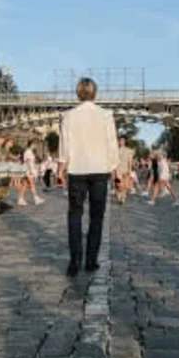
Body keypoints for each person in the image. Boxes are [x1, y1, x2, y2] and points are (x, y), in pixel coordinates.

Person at [59, 78, 119, 277]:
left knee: (74, 215)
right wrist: (113, 167)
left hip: (77, 170)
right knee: (97, 217)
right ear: (95, 93)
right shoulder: (106, 115)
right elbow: (111, 143)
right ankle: (91, 260)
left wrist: (62, 166)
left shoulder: (68, 116)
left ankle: (75, 260)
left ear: (78, 93)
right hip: (100, 170)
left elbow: (65, 144)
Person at [116, 138, 135, 205]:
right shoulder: (116, 150)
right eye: (120, 140)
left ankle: (123, 198)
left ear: (125, 142)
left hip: (126, 170)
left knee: (125, 186)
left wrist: (130, 170)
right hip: (118, 170)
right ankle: (119, 192)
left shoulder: (129, 150)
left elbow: (130, 161)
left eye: (122, 141)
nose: (121, 142)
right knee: (119, 185)